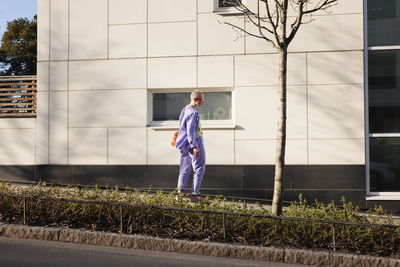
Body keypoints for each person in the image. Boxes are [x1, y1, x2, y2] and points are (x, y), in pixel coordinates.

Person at [175, 90, 206, 202]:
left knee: (184, 168)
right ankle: (195, 194)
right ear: (195, 100)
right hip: (195, 141)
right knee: (199, 167)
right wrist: (195, 146)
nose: (203, 103)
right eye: (202, 100)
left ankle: (180, 194)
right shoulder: (193, 113)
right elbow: (191, 131)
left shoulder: (185, 109)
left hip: (183, 143)